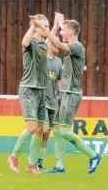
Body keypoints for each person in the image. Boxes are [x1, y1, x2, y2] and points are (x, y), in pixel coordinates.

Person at [32, 14, 102, 174]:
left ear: (70, 33)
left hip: (71, 94)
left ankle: (94, 155)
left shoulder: (77, 46)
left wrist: (44, 29)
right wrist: (58, 24)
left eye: (64, 31)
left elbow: (56, 43)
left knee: (62, 130)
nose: (61, 34)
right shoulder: (72, 48)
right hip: (64, 94)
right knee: (56, 129)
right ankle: (59, 166)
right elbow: (53, 43)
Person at [7, 14, 49, 174]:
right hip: (29, 89)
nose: (47, 29)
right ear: (37, 28)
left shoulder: (44, 45)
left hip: (41, 89)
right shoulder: (30, 42)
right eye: (44, 26)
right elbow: (23, 42)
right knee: (32, 127)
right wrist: (32, 25)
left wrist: (56, 26)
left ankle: (31, 164)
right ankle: (14, 156)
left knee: (40, 129)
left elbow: (53, 41)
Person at [36, 40, 63, 172]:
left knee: (47, 134)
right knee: (44, 130)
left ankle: (39, 162)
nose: (58, 46)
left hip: (54, 102)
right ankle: (33, 160)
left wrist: (62, 98)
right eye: (55, 43)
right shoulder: (42, 58)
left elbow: (59, 82)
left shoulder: (58, 61)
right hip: (42, 101)